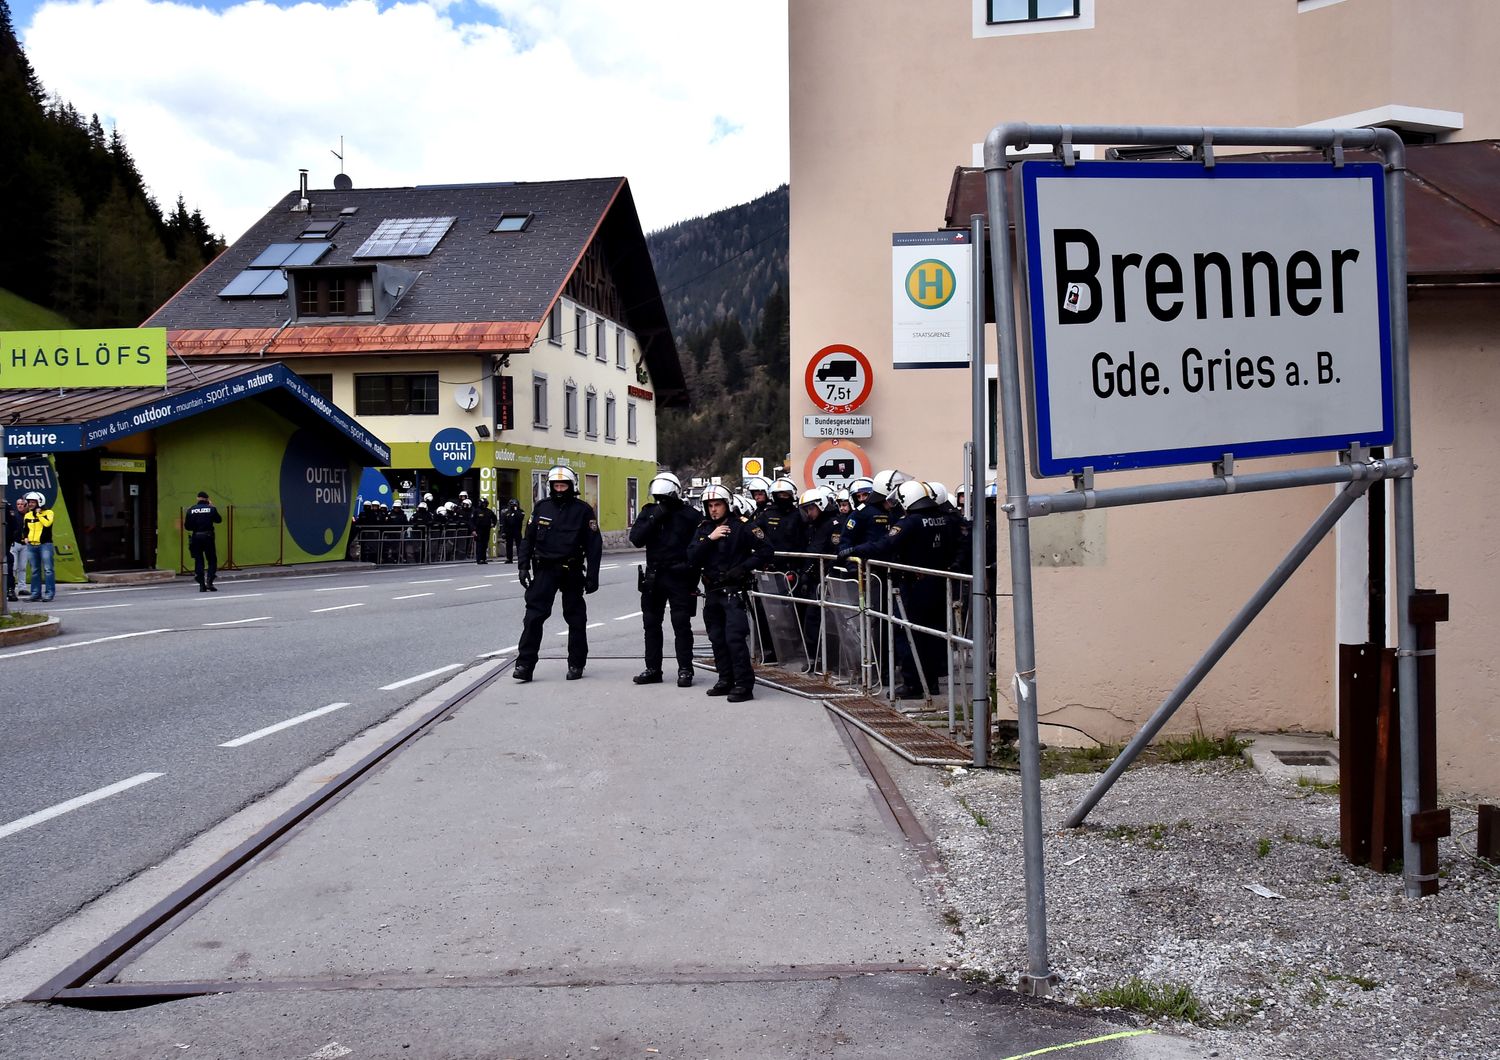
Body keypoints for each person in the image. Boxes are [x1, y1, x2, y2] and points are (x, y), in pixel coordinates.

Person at [514, 466, 603, 682]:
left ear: (572, 487)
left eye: (563, 485)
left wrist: (593, 575)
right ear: (550, 486)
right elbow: (528, 539)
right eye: (556, 485)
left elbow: (594, 545)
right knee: (533, 617)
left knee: (576, 619)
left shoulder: (583, 510)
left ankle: (576, 663)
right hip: (544, 569)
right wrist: (523, 566)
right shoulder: (541, 507)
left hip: (571, 569)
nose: (560, 489)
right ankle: (524, 665)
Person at [688, 483, 772, 702]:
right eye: (709, 505)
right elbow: (691, 557)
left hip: (733, 591)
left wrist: (742, 568)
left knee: (734, 638)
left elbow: (766, 550)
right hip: (712, 591)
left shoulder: (743, 526)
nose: (713, 509)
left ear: (727, 505)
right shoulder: (704, 528)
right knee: (716, 638)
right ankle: (725, 679)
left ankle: (744, 685)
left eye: (717, 504)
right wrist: (710, 539)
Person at [628, 472, 702, 687]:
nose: (661, 502)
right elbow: (636, 539)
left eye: (664, 498)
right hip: (654, 576)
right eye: (658, 498)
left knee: (681, 624)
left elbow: (698, 546)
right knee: (651, 624)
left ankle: (686, 670)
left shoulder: (690, 515)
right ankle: (653, 668)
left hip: (679, 576)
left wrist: (692, 574)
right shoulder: (649, 512)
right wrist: (654, 517)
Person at [21, 491, 57, 603]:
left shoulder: (49, 513)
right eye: (29, 502)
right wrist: (25, 537)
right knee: (35, 571)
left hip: (45, 545)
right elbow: (25, 529)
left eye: (33, 502)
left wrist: (39, 514)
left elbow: (47, 524)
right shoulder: (27, 515)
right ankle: (35, 594)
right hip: (32, 545)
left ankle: (49, 593)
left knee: (48, 570)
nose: (30, 504)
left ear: (39, 502)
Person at [184, 490, 222, 592]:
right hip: (208, 537)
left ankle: (201, 584)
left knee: (199, 560)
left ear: (197, 498)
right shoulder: (211, 509)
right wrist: (213, 507)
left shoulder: (191, 509)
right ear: (207, 499)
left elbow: (187, 526)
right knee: (211, 559)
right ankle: (209, 581)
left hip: (196, 537)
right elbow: (219, 520)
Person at [3, 496, 23, 602]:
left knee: (8, 565)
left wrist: (10, 539)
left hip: (4, 543)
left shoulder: (6, 505)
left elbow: (14, 525)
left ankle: (10, 590)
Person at [471, 497, 497, 563]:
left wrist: (493, 524)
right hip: (478, 530)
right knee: (479, 544)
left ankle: (483, 559)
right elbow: (472, 521)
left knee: (485, 544)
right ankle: (479, 559)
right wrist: (473, 530)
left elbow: (494, 518)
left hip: (486, 530)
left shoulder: (489, 511)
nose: (484, 505)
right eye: (483, 503)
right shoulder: (476, 511)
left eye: (485, 504)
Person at [501, 498, 525, 563]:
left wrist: (516, 510)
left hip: (517, 530)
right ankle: (509, 558)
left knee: (519, 545)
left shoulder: (521, 511)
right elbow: (504, 523)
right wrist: (503, 532)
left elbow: (520, 518)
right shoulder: (506, 512)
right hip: (509, 531)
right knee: (509, 545)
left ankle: (520, 557)